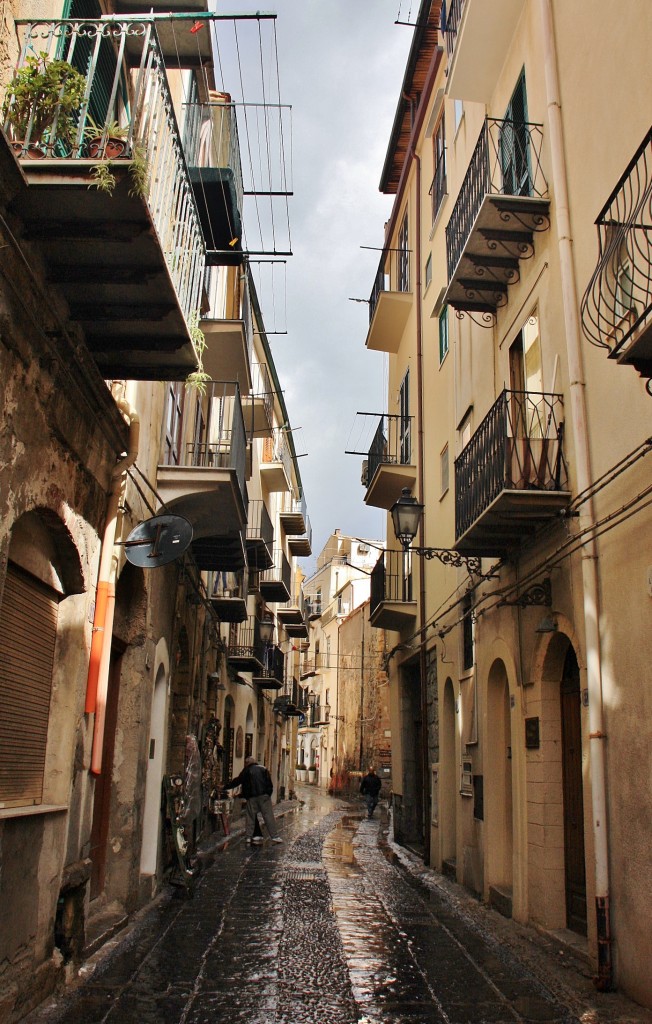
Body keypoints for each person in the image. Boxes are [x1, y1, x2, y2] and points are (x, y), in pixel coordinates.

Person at [223, 756, 283, 845]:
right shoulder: (264, 769)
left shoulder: (246, 771)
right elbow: (269, 784)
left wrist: (226, 787)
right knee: (268, 816)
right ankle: (275, 836)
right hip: (264, 796)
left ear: (247, 763)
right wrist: (268, 794)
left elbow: (237, 781)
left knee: (250, 817)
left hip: (252, 797)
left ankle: (248, 837)